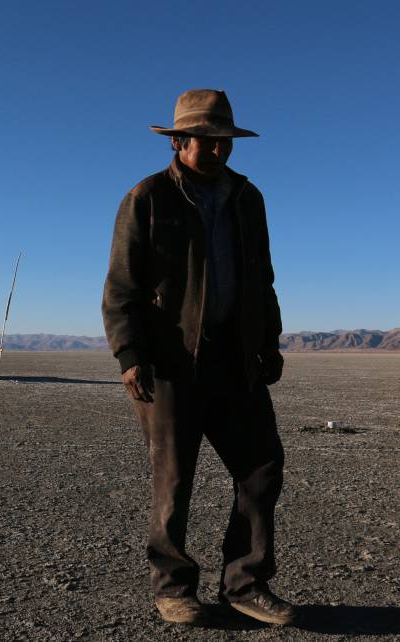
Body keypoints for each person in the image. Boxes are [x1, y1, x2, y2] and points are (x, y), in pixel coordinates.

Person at [101, 89, 293, 626]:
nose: (216, 151)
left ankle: (246, 584)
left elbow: (262, 279)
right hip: (171, 365)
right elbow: (121, 287)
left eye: (223, 141)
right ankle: (173, 587)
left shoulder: (247, 198)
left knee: (261, 469)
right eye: (205, 141)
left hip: (237, 359)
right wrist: (130, 355)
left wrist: (269, 342)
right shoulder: (148, 197)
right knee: (174, 478)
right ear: (180, 140)